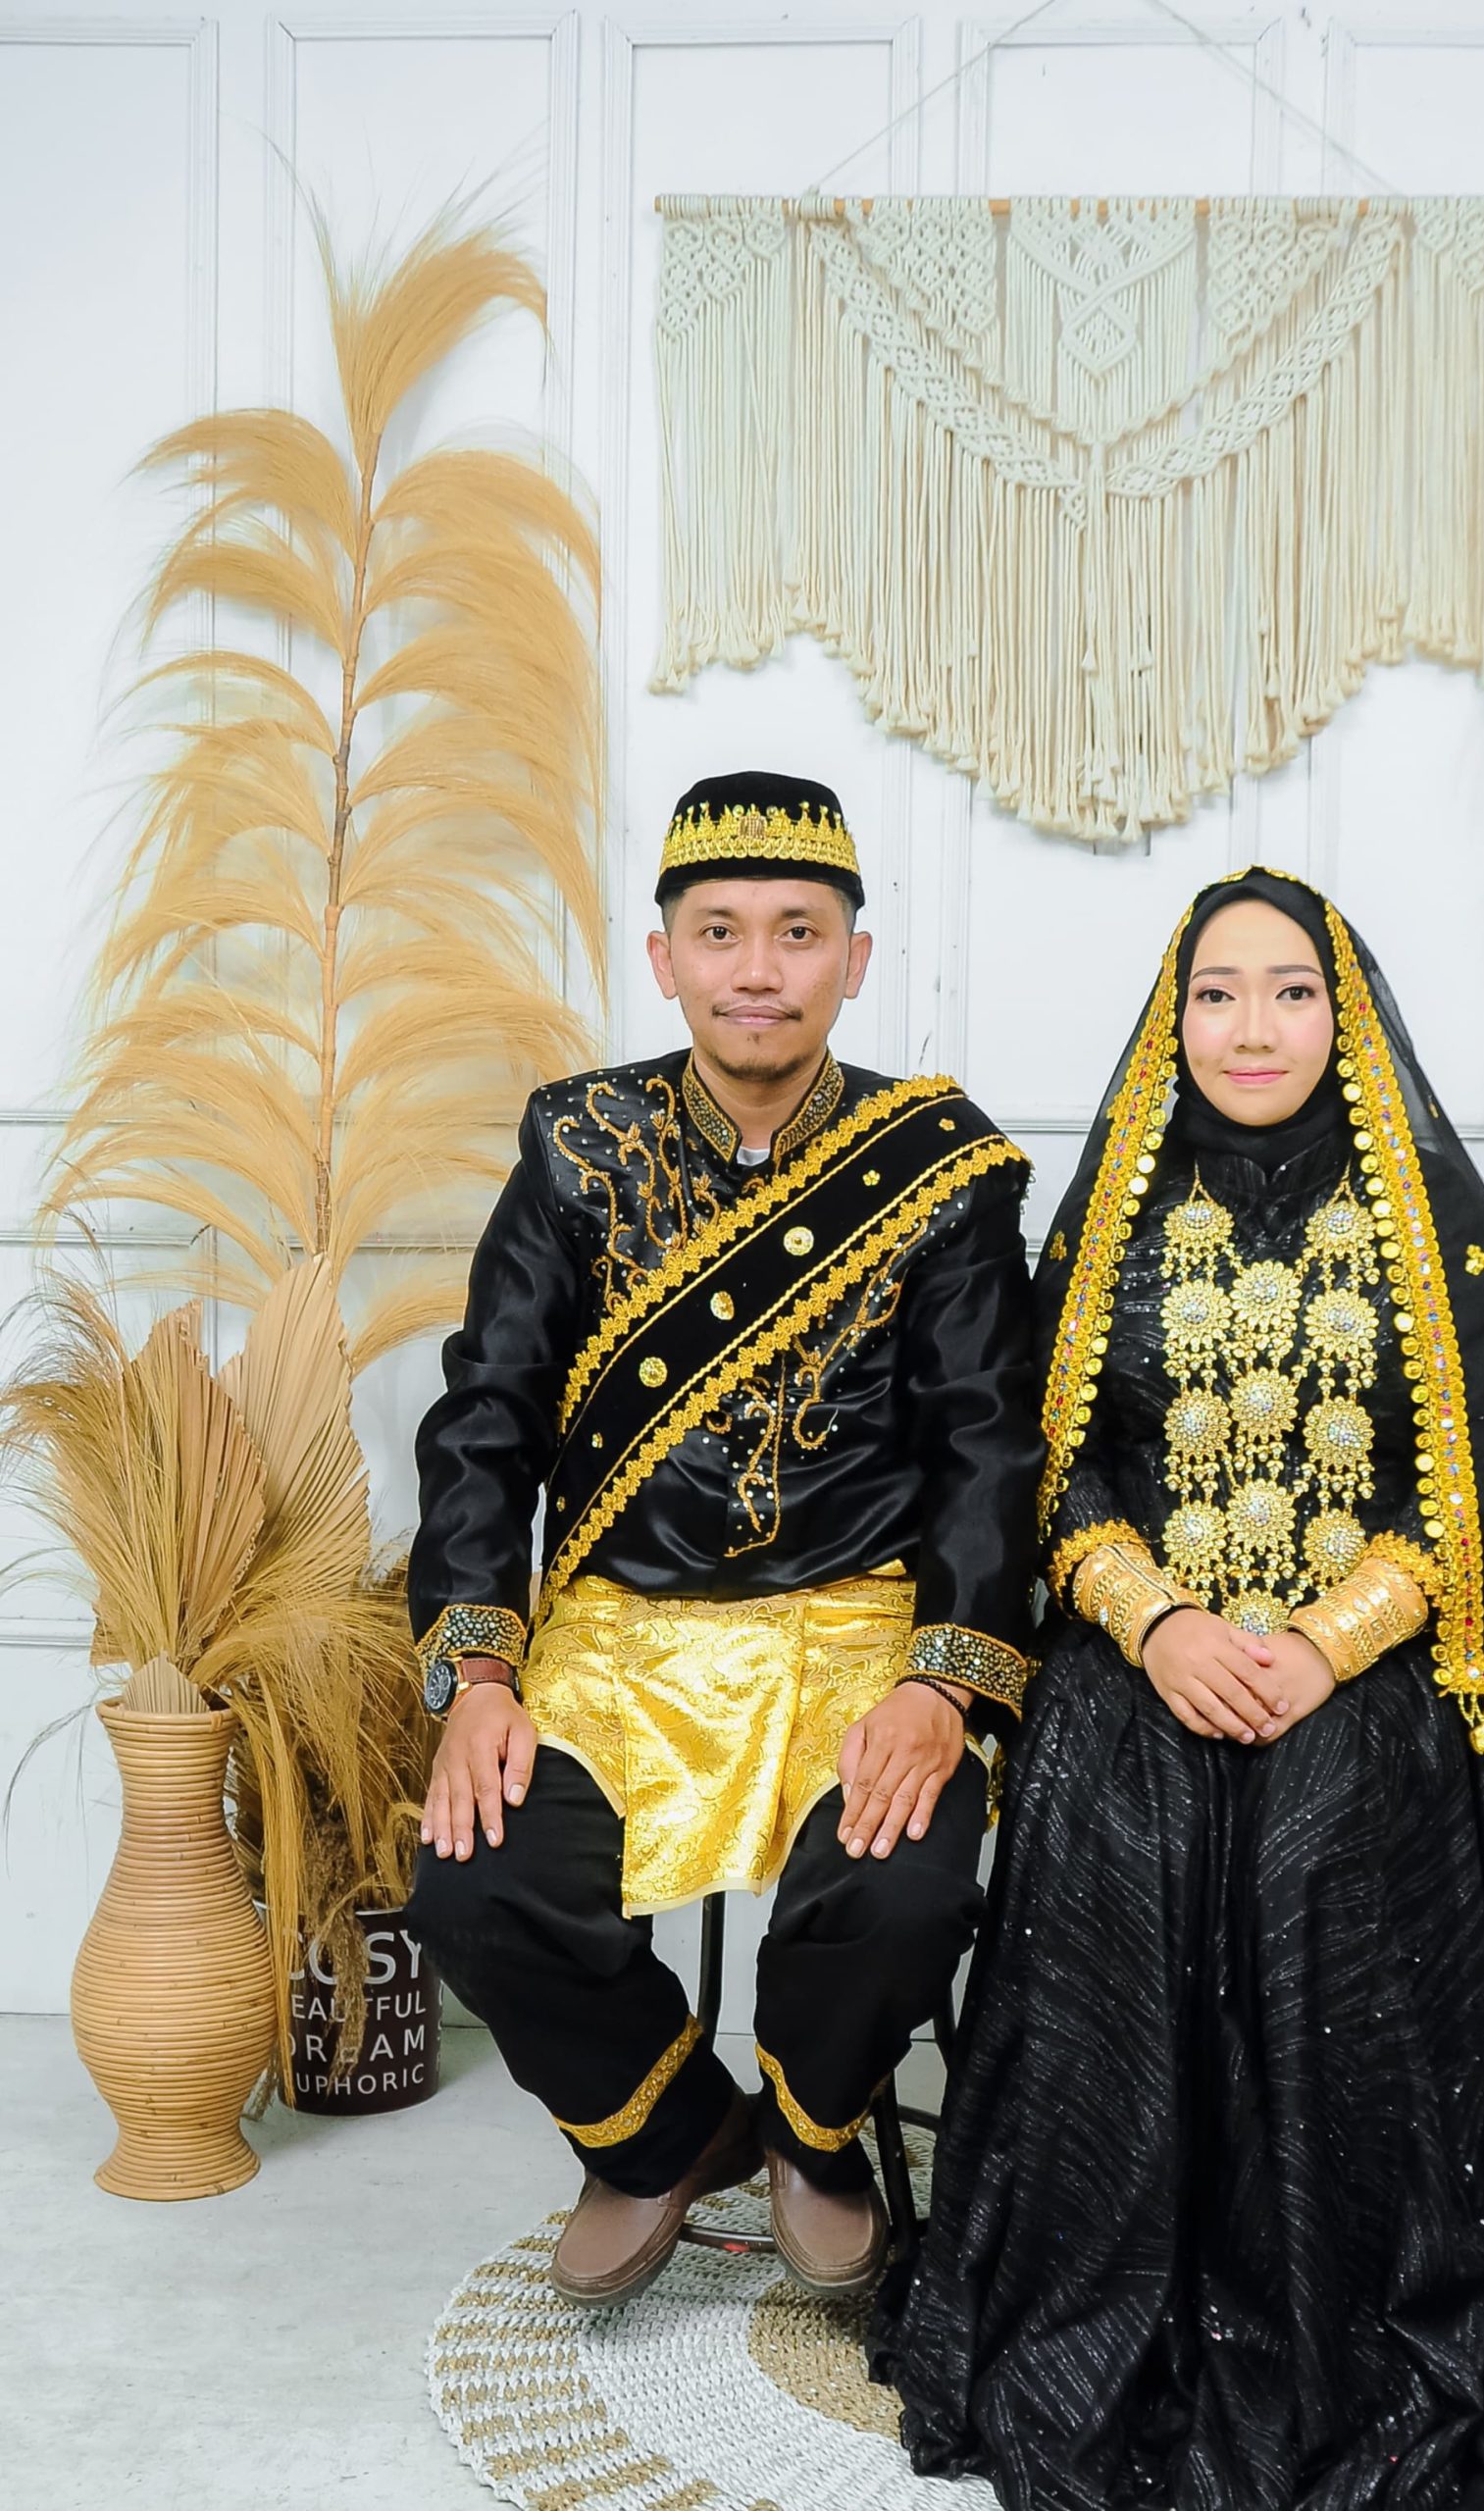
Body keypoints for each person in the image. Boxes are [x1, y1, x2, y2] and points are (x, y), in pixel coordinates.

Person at [875, 870, 1484, 2511]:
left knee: (1317, 1836)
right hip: (1151, 1640)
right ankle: (1114, 2283)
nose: (1251, 1026)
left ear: (1347, 1018)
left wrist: (1332, 1640)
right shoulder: (1115, 1212)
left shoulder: (1423, 1216)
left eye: (1289, 991)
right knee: (1123, 1818)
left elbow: (1471, 1491)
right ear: (1173, 1018)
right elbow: (1054, 1473)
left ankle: (1346, 2305)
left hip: (1369, 1655)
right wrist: (1155, 1623)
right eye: (1217, 993)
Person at [403, 771, 1042, 2310]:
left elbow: (987, 1444)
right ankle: (666, 2133)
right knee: (470, 1886)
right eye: (721, 931)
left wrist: (943, 1683)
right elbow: (487, 1419)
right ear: (665, 955)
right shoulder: (577, 1144)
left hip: (859, 1632)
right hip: (615, 1638)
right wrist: (477, 1676)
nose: (759, 968)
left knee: (904, 1891)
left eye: (798, 933)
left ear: (855, 961)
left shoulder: (938, 1163)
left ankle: (814, 2134)